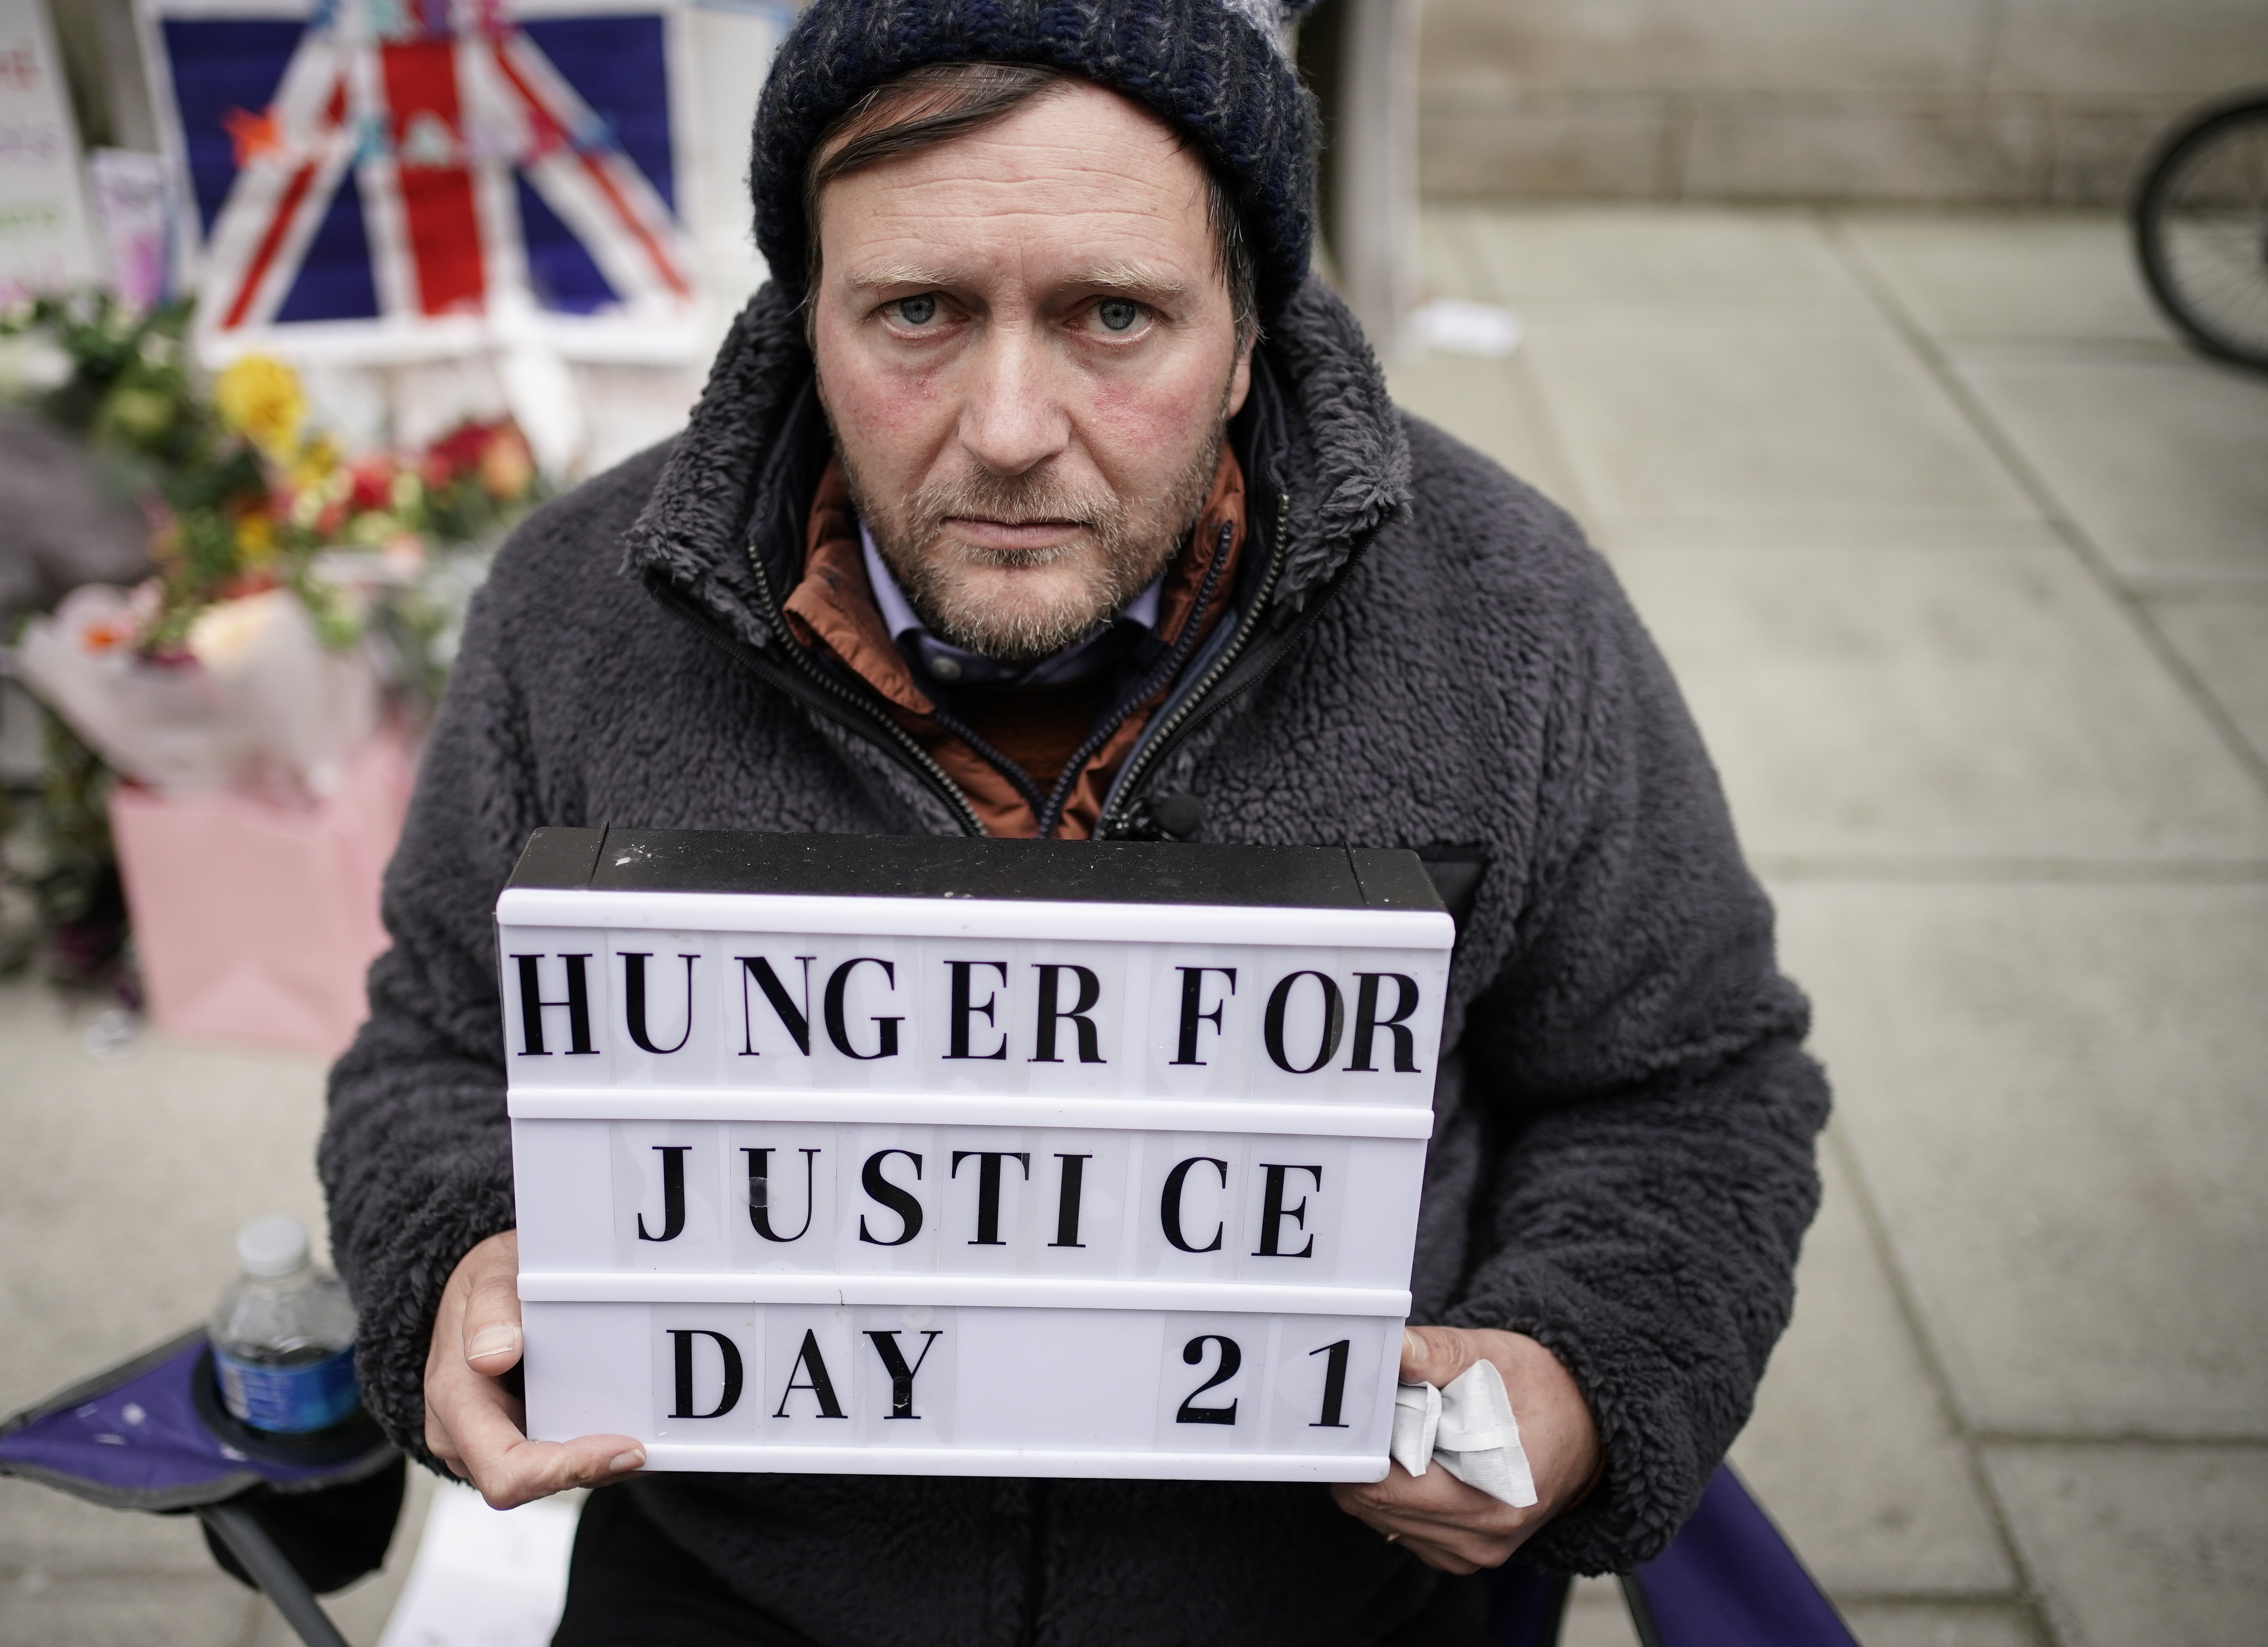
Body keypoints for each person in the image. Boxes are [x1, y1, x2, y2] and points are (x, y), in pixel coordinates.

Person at [320, 2, 1829, 1641]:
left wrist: (1580, 1369)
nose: (1011, 430)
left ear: (1249, 332)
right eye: (916, 312)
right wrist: (459, 1262)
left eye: (1116, 315)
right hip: (741, 1590)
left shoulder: (1508, 616)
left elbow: (1689, 1083)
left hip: (1340, 1607)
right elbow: (440, 1051)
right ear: (806, 308)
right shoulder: (578, 612)